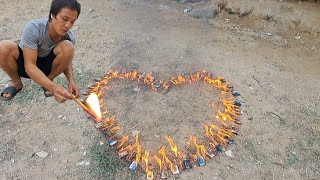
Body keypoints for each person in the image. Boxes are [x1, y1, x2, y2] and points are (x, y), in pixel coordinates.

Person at [0, 0, 81, 103]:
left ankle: (47, 81)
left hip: (47, 68)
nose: (68, 26)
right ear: (52, 14)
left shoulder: (69, 36)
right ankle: (17, 83)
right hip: (26, 64)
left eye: (72, 22)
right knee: (2, 47)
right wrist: (54, 87)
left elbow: (67, 60)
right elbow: (29, 66)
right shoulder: (34, 28)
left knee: (68, 46)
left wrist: (71, 81)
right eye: (64, 19)